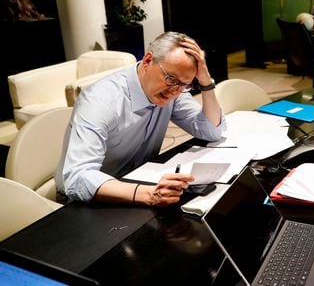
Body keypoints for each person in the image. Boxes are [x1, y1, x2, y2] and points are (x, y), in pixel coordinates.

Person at [55, 31, 226, 206]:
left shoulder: (173, 91)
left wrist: (205, 82)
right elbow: (78, 177)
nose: (175, 91)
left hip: (137, 181)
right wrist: (147, 194)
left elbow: (212, 132)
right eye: (171, 79)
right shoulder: (101, 101)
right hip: (86, 198)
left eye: (185, 84)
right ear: (147, 61)